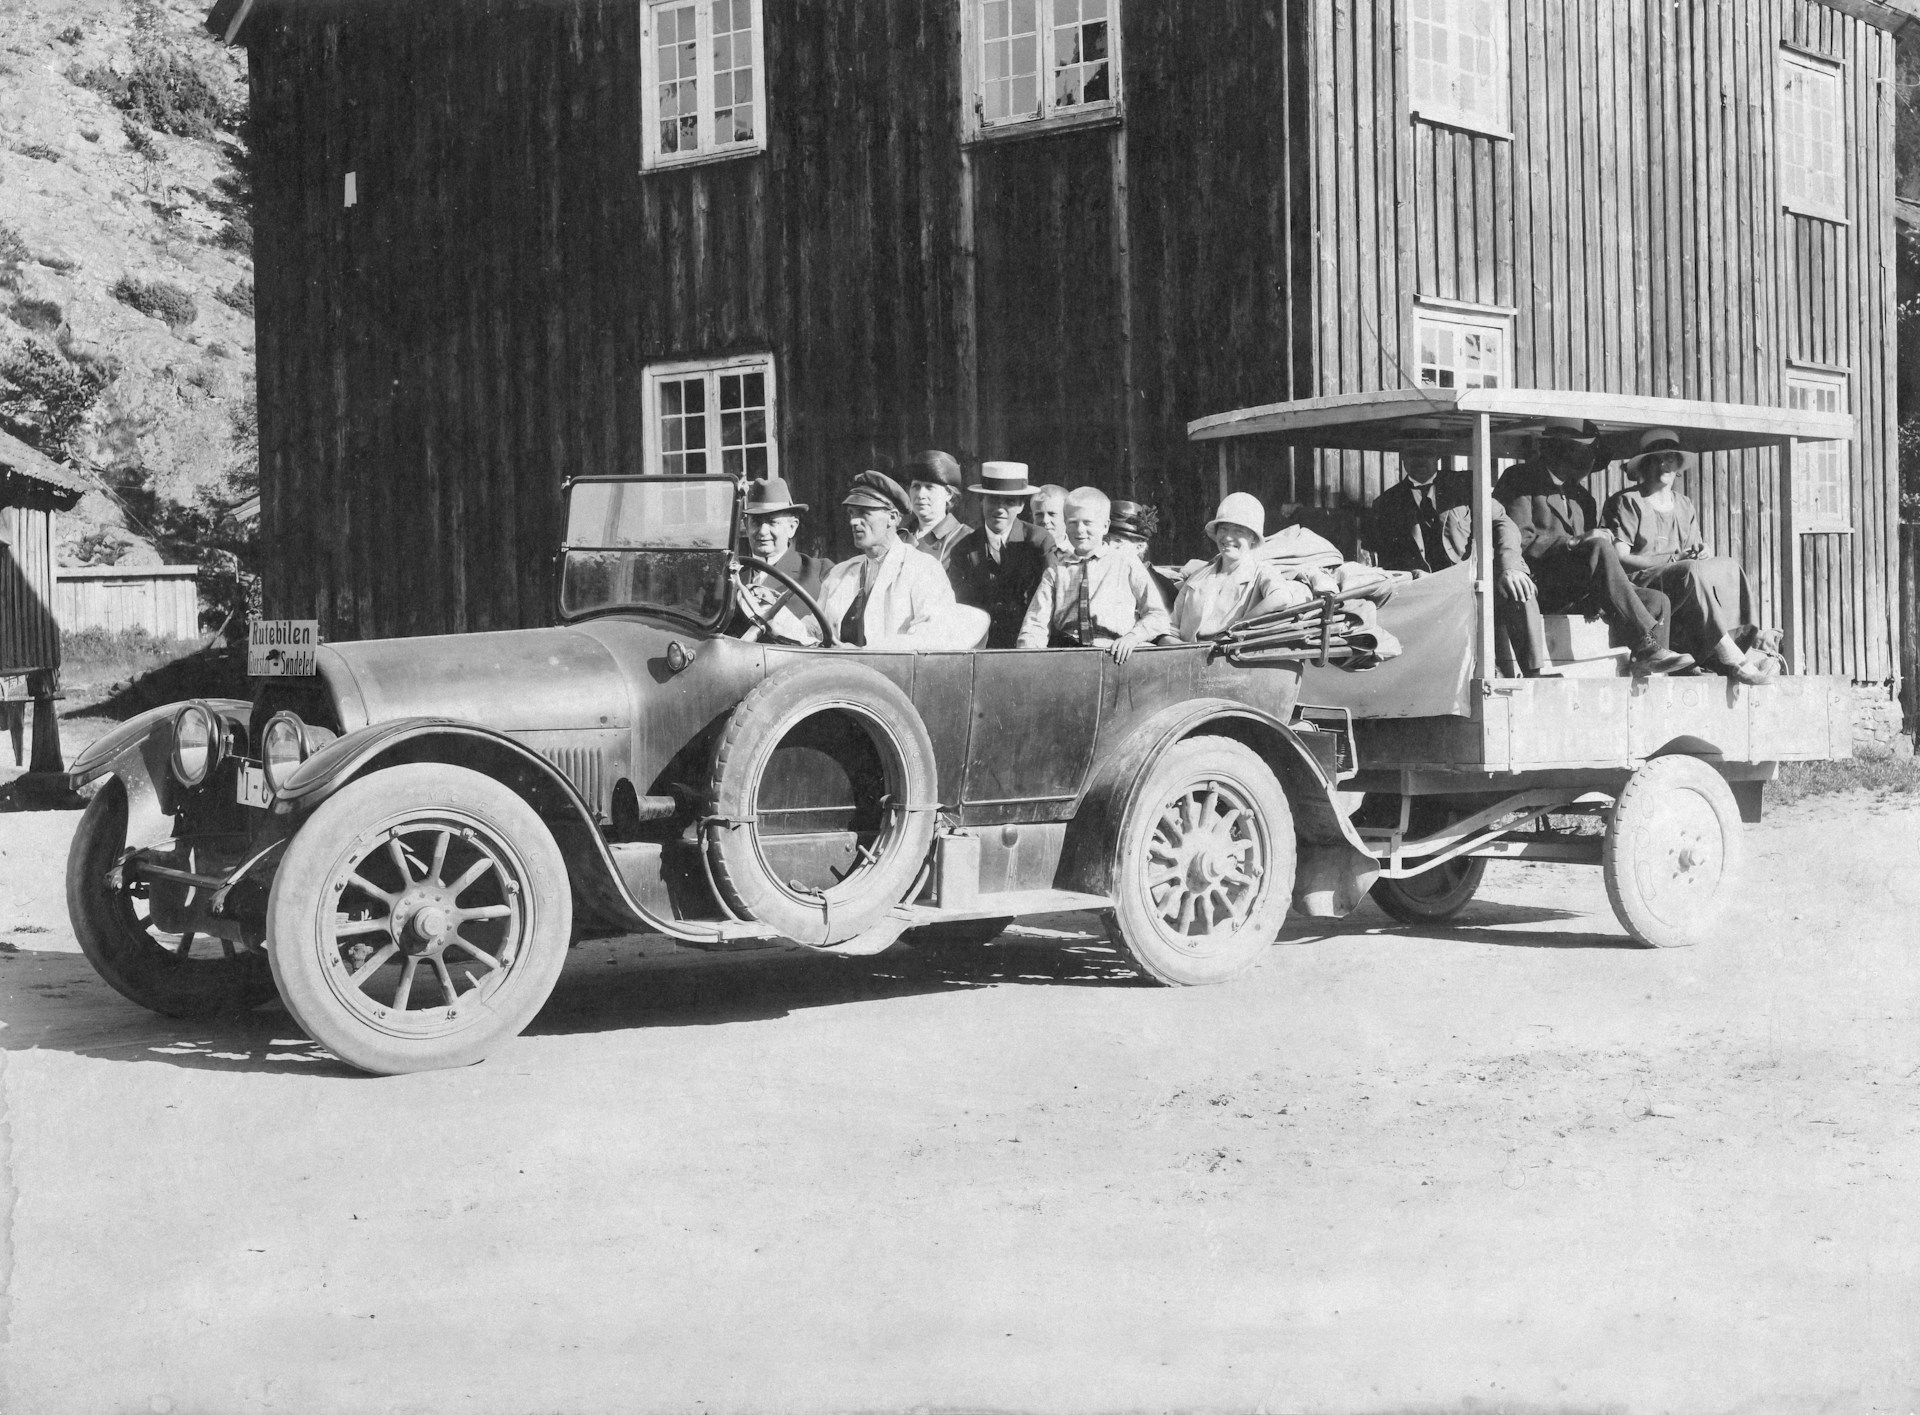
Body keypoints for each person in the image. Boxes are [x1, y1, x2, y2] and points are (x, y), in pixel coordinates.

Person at [1495, 417, 1693, 675]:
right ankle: (1647, 645)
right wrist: (1574, 541)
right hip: (1536, 584)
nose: (1592, 462)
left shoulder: (1582, 498)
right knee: (1598, 545)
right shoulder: (1520, 479)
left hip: (1577, 591)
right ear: (1564, 450)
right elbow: (1520, 541)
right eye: (1587, 453)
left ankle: (1652, 671)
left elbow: (1592, 562)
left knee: (1657, 601)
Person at [1602, 428, 1774, 684]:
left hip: (1682, 580)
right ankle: (1731, 656)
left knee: (1727, 565)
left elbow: (1692, 550)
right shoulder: (1627, 501)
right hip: (1639, 582)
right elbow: (1619, 557)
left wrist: (1702, 551)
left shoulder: (1683, 504)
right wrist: (1672, 560)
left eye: (1670, 457)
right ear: (1644, 465)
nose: (1664, 464)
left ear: (1679, 464)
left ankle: (1742, 643)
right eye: (1657, 458)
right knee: (1690, 570)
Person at [1367, 452, 1554, 676]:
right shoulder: (1386, 503)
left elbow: (1503, 523)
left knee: (1519, 588)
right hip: (1425, 590)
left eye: (1426, 452)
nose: (1420, 459)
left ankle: (1533, 675)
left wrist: (1511, 567)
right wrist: (1413, 574)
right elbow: (1385, 558)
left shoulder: (1466, 485)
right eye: (1412, 452)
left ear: (1437, 456)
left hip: (1471, 579)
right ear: (1403, 458)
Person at [1016, 486, 1172, 661]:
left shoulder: (1125, 562)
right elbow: (1035, 624)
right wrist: (1028, 659)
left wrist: (1133, 637)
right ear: (1065, 526)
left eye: (1087, 523)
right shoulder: (1056, 571)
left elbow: (1157, 615)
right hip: (1066, 655)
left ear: (1105, 526)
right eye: (1073, 522)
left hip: (1115, 654)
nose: (1080, 530)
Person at [818, 471, 961, 648]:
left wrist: (864, 653)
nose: (854, 522)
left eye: (864, 513)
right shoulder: (840, 573)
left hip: (896, 674)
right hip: (840, 672)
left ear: (892, 518)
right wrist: (780, 622)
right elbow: (814, 629)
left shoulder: (923, 570)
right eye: (851, 513)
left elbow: (932, 635)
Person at [1170, 493, 1323, 642]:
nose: (1228, 537)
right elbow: (1172, 626)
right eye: (1223, 529)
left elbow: (1281, 597)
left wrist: (1240, 626)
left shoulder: (1262, 571)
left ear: (1253, 538)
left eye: (1238, 531)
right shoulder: (1198, 576)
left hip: (1232, 659)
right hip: (1190, 656)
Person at [950, 460, 1056, 648]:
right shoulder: (964, 548)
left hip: (1027, 646)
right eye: (992, 500)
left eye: (1009, 502)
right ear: (981, 501)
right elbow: (959, 606)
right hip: (980, 646)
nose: (999, 509)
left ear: (1021, 505)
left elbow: (1050, 597)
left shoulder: (1039, 542)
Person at [728, 476, 829, 643]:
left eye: (772, 522)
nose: (762, 531)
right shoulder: (728, 575)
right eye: (756, 522)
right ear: (746, 525)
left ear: (792, 527)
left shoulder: (820, 571)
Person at [898, 450, 974, 567]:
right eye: (916, 486)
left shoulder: (965, 538)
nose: (920, 495)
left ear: (948, 494)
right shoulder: (900, 537)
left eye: (929, 487)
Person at [1105, 499, 1181, 612]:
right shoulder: (1098, 575)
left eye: (1118, 541)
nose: (1109, 546)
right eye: (1106, 540)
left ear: (1139, 547)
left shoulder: (1160, 586)